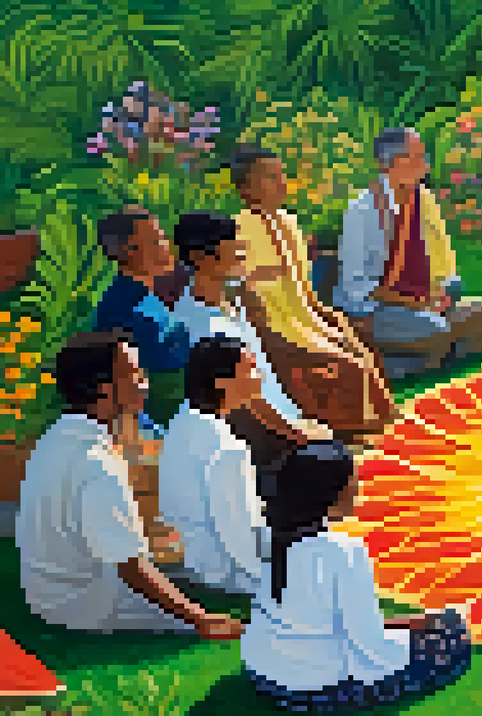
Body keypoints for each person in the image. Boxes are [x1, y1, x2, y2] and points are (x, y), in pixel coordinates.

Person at [15, 332, 242, 638]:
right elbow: (131, 567)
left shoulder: (54, 437)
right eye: (134, 375)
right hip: (86, 606)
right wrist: (202, 620)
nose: (145, 384)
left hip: (45, 597)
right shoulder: (96, 463)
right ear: (101, 388)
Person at [242, 441, 471, 712]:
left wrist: (413, 623)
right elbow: (373, 651)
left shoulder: (270, 536)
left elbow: (319, 619)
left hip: (262, 670)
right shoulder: (343, 550)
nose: (358, 490)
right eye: (353, 483)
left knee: (435, 625)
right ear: (332, 494)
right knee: (454, 635)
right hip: (311, 688)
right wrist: (412, 646)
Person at [231, 146, 394, 439]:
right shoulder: (237, 231)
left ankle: (380, 419)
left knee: (359, 347)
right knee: (347, 364)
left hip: (306, 320)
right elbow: (246, 297)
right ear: (245, 188)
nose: (280, 183)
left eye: (281, 175)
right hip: (272, 327)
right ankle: (355, 429)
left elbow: (304, 291)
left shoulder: (290, 224)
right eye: (270, 177)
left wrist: (330, 319)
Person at [169, 211, 325, 493]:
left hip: (281, 418)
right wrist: (297, 434)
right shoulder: (203, 325)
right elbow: (246, 402)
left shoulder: (232, 300)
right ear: (201, 257)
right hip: (260, 433)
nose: (242, 250)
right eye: (233, 244)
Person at [337, 127, 482, 380]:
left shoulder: (423, 199)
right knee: (434, 330)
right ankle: (385, 366)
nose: (425, 166)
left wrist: (444, 291)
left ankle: (431, 359)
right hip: (376, 310)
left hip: (426, 302)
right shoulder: (364, 209)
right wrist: (419, 304)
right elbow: (360, 288)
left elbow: (442, 259)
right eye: (418, 158)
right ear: (392, 163)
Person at [158, 336, 269, 595]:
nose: (259, 374)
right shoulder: (224, 445)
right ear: (221, 381)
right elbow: (234, 528)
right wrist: (260, 578)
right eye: (251, 368)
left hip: (199, 559)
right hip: (221, 570)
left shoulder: (185, 422)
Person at [93, 208, 192, 427]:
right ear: (129, 250)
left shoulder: (152, 297)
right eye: (157, 240)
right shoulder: (120, 310)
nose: (167, 246)